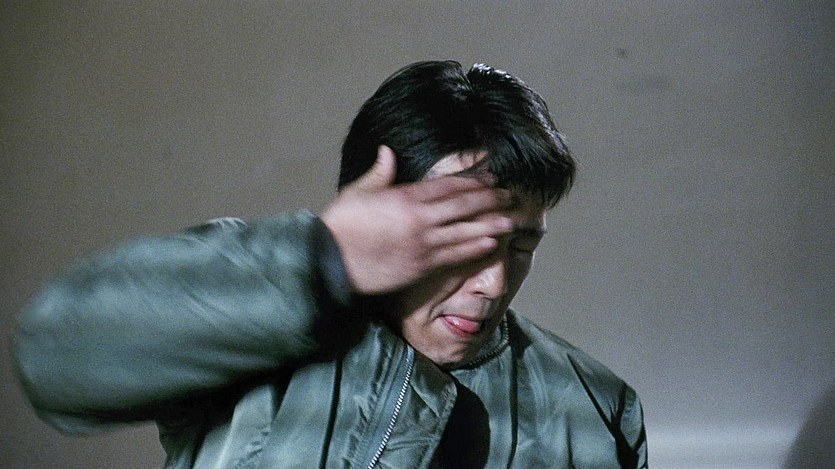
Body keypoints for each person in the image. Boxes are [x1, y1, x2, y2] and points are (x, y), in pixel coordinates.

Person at [13, 61, 647, 468]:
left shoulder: (597, 408)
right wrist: (325, 257)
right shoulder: (254, 324)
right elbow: (56, 357)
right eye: (460, 240)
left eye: (520, 246)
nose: (494, 283)